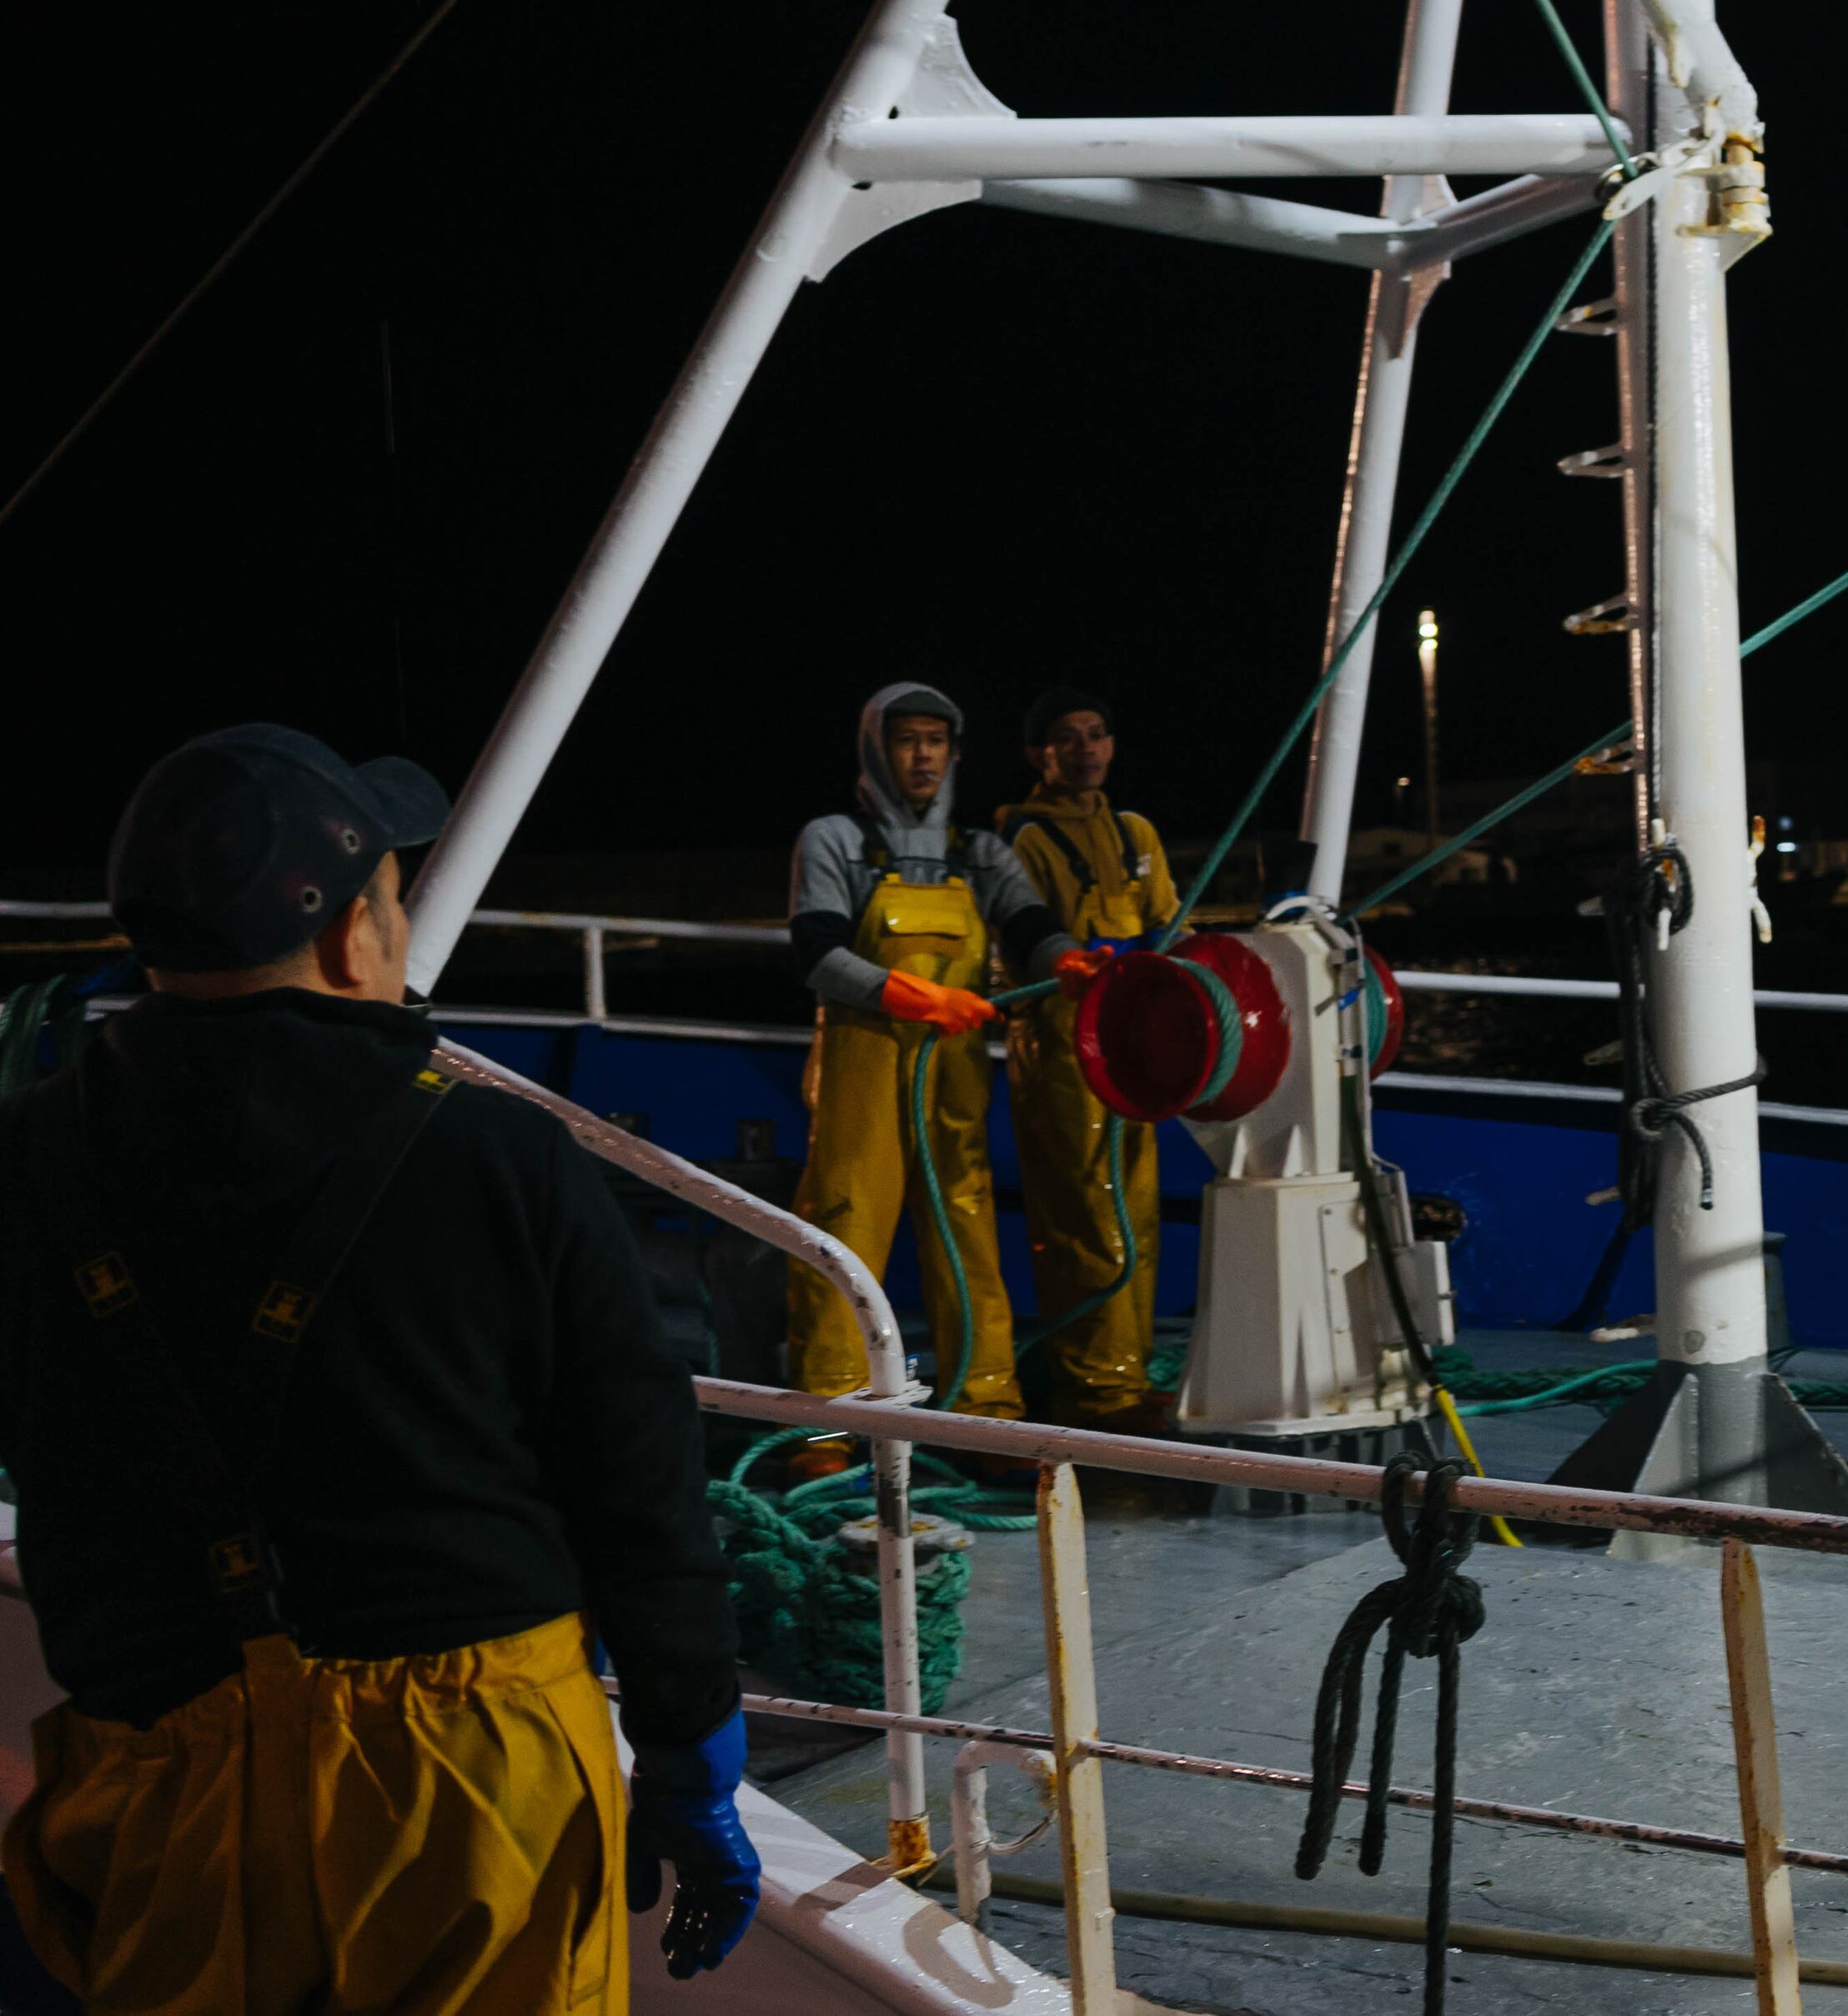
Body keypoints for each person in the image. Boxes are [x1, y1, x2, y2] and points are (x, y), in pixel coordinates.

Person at [0, 724, 756, 2008]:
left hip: (158, 1772)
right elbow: (641, 1493)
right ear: (356, 935)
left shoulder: (22, 1163)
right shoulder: (507, 1163)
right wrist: (690, 1754)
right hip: (473, 1777)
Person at [786, 685, 1080, 1430]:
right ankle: (830, 1412)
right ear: (876, 749)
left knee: (968, 1222)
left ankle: (988, 1405)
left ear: (954, 752)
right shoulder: (833, 839)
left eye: (936, 741)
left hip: (953, 1069)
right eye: (906, 740)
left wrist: (1072, 959)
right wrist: (921, 1000)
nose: (923, 755)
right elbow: (817, 953)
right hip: (865, 1058)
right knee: (847, 1217)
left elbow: (1030, 925)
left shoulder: (980, 853)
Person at [995, 689, 1182, 1435]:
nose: (1085, 750)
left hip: (1135, 1044)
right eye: (1066, 738)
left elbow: (1170, 923)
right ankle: (1096, 1390)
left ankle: (1127, 1371)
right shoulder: (1022, 838)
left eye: (1097, 734)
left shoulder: (1137, 831)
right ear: (1039, 753)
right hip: (1063, 1049)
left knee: (1137, 1209)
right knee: (1084, 1213)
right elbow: (1024, 941)